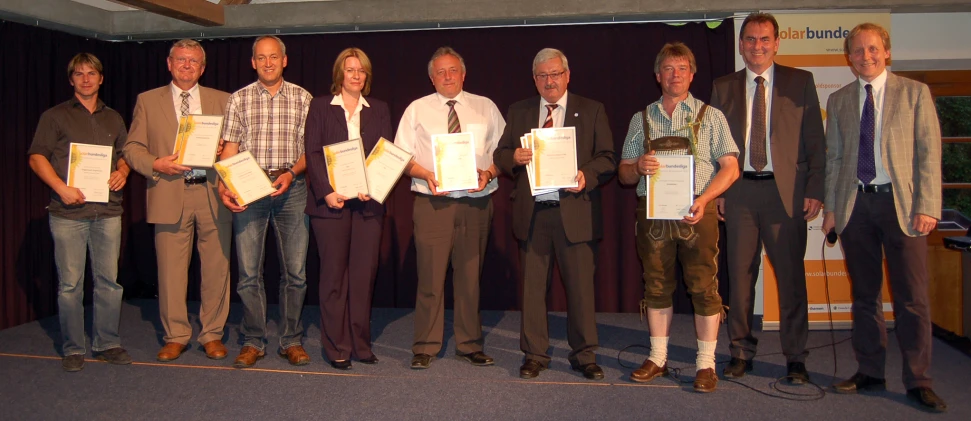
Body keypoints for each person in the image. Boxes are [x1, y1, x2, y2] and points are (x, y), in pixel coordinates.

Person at [822, 22, 946, 413]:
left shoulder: (914, 93)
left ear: (886, 52)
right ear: (849, 58)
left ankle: (918, 379)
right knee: (864, 296)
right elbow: (835, 160)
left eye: (872, 49)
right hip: (855, 206)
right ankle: (871, 371)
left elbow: (928, 152)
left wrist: (928, 205)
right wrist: (830, 208)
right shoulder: (840, 99)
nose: (865, 56)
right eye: (857, 51)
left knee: (912, 298)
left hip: (903, 206)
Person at [709, 12, 825, 383]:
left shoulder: (800, 81)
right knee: (740, 278)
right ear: (741, 45)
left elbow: (815, 142)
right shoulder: (723, 86)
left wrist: (815, 190)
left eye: (764, 40)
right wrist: (719, 193)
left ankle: (796, 358)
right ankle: (741, 352)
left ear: (776, 43)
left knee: (791, 279)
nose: (757, 46)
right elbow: (713, 147)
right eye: (750, 40)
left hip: (785, 195)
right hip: (739, 192)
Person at [618, 42, 739, 392]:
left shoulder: (712, 116)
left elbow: (730, 167)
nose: (675, 75)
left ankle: (706, 363)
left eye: (681, 68)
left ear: (692, 73)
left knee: (704, 287)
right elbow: (624, 173)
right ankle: (657, 356)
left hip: (696, 213)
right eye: (668, 69)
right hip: (653, 216)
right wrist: (637, 166)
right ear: (658, 76)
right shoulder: (640, 120)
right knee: (655, 284)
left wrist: (706, 199)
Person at [493, 48, 615, 380]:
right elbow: (500, 154)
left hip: (575, 211)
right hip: (533, 214)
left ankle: (584, 354)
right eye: (543, 76)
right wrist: (514, 157)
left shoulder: (591, 110)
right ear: (534, 79)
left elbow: (608, 158)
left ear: (567, 75)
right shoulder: (519, 111)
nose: (550, 81)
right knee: (532, 290)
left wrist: (586, 176)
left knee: (580, 289)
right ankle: (534, 354)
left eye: (555, 74)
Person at [394, 47, 505, 370]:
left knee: (471, 278)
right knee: (430, 277)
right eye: (440, 72)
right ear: (431, 78)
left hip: (476, 203)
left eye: (453, 70)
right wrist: (427, 174)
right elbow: (401, 157)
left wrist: (489, 172)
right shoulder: (417, 109)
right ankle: (425, 345)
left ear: (463, 73)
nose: (447, 76)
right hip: (433, 204)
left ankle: (469, 344)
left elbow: (506, 150)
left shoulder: (485, 107)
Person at [124, 39, 233, 362]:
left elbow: (236, 143)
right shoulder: (148, 100)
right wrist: (155, 164)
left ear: (203, 68)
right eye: (181, 60)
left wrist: (224, 147)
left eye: (194, 61)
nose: (187, 66)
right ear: (169, 64)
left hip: (212, 192)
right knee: (171, 271)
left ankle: (212, 333)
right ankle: (176, 335)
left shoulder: (223, 100)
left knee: (216, 268)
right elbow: (132, 148)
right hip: (169, 190)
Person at [27, 53, 132, 372]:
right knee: (71, 285)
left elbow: (125, 155)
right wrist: (61, 187)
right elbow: (36, 158)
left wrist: (123, 171)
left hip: (108, 212)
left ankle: (107, 343)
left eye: (92, 73)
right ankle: (74, 348)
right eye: (79, 74)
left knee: (109, 282)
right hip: (68, 214)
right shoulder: (54, 116)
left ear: (101, 79)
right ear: (71, 79)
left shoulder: (114, 117)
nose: (86, 79)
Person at [219, 35, 313, 368]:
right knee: (248, 273)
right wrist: (223, 186)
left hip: (293, 188)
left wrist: (291, 172)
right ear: (253, 62)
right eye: (261, 58)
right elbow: (229, 149)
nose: (268, 63)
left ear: (284, 60)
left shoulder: (303, 98)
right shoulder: (238, 99)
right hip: (249, 189)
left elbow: (309, 153)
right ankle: (253, 341)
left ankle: (291, 340)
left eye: (274, 57)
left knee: (295, 273)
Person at [305, 48, 392, 370]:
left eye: (361, 71)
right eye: (350, 69)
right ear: (339, 74)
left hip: (367, 207)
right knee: (333, 279)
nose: (355, 75)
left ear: (367, 76)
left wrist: (377, 187)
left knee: (362, 278)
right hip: (332, 207)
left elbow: (384, 155)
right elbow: (312, 153)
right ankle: (336, 346)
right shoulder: (319, 107)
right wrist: (326, 192)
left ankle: (360, 344)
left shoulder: (379, 109)